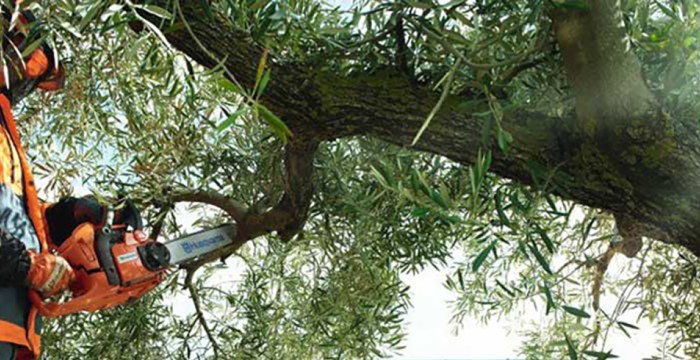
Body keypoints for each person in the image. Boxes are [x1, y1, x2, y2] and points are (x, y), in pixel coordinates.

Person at [0, 5, 143, 359]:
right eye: (25, 69)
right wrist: (25, 264)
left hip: (13, 332)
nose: (24, 83)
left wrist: (70, 217)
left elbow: (12, 216)